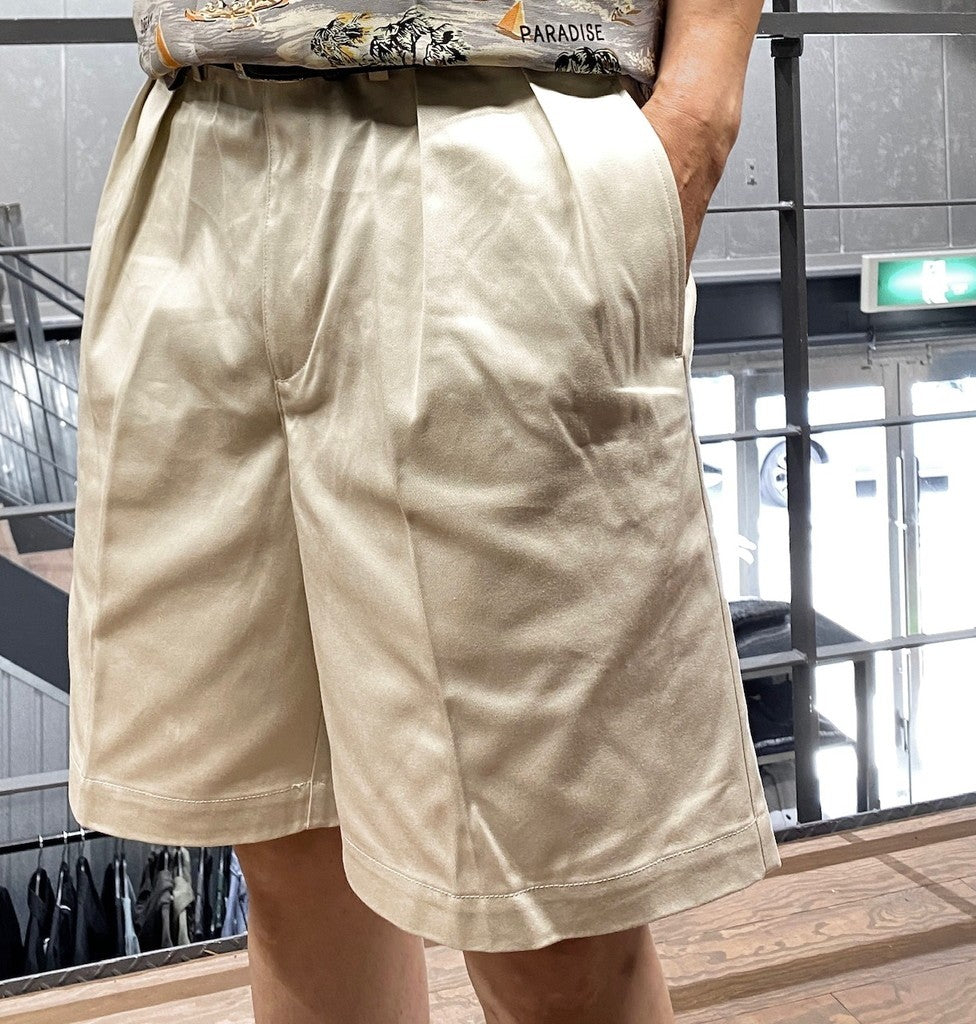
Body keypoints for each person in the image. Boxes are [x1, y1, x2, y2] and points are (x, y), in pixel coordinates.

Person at [67, 0, 779, 1021]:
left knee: (549, 913)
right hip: (197, 132)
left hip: (495, 115)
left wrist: (699, 107)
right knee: (289, 851)